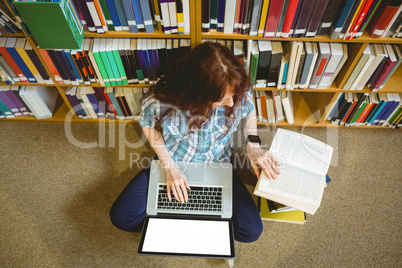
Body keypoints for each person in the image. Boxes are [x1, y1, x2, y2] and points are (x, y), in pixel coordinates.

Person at [109, 42, 280, 243]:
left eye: (232, 96)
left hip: (218, 164)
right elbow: (148, 125)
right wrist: (169, 167)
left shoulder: (235, 87)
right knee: (121, 217)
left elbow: (248, 108)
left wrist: (253, 145)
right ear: (200, 95)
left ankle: (185, 224)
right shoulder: (160, 101)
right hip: (174, 161)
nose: (232, 104)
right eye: (223, 100)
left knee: (251, 231)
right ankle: (179, 225)